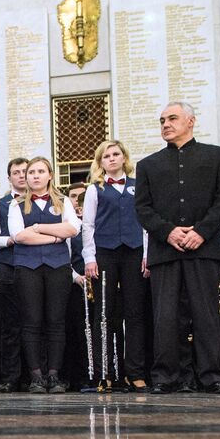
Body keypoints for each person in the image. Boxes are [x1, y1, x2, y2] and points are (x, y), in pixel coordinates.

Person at [132, 102, 220, 394]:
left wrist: (201, 232)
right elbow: (143, 208)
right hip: (166, 250)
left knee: (205, 315)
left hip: (205, 247)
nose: (165, 124)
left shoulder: (217, 157)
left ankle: (210, 375)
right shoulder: (148, 165)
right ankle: (166, 376)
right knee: (165, 317)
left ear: (191, 121)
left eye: (172, 118)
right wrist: (168, 232)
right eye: (162, 120)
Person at [7, 157, 81, 393]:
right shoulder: (16, 205)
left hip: (58, 266)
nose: (35, 176)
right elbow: (19, 235)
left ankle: (54, 374)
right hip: (28, 268)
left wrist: (38, 228)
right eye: (31, 172)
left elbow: (72, 228)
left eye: (40, 171)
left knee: (56, 321)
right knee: (31, 322)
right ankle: (36, 375)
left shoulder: (62, 201)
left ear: (50, 175)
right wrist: (54, 236)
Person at [81, 140, 148, 391]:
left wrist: (147, 254)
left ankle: (134, 371)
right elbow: (87, 225)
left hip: (133, 252)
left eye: (115, 154)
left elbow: (145, 223)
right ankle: (104, 372)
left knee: (134, 313)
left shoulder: (137, 186)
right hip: (105, 253)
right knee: (104, 314)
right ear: (100, 162)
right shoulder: (94, 190)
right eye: (106, 156)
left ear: (124, 157)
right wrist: (90, 258)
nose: (111, 159)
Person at [0, 158, 29, 392]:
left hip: (35, 268)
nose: (22, 176)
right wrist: (10, 239)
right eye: (16, 172)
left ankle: (33, 375)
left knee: (34, 324)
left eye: (25, 171)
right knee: (10, 326)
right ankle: (10, 377)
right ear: (9, 178)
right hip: (8, 267)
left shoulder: (44, 202)